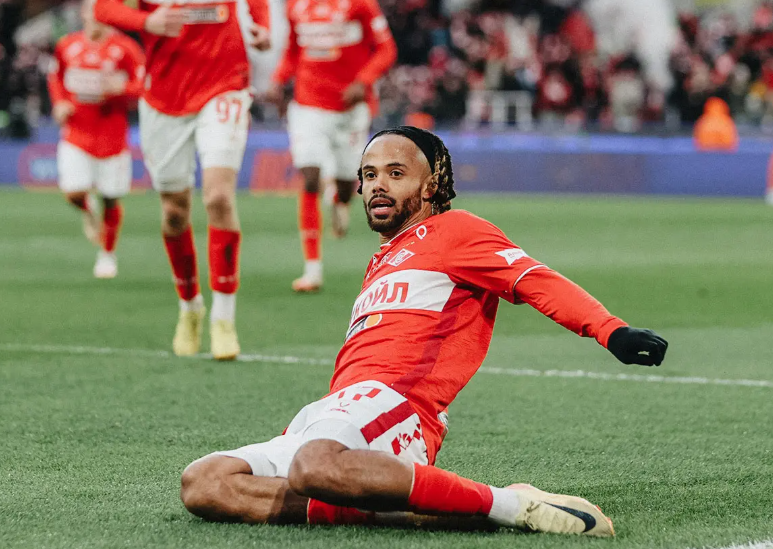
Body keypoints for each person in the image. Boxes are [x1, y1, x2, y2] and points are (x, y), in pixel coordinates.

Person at [179, 127, 668, 534]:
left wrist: (611, 331)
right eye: (370, 174)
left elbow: (535, 280)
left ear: (431, 185)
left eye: (396, 174)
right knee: (204, 483)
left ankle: (509, 505)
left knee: (314, 467)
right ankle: (408, 510)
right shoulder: (384, 258)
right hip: (334, 410)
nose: (378, 185)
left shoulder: (457, 231)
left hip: (399, 406)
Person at [94, 0, 271, 359]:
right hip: (164, 96)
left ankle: (223, 318)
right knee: (175, 212)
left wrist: (262, 25)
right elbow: (103, 8)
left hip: (224, 84)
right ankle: (190, 307)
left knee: (218, 197)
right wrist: (146, 20)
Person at [267, 0, 397, 293]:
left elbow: (387, 49)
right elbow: (293, 51)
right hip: (307, 106)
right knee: (310, 178)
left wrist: (363, 81)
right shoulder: (296, 6)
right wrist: (278, 79)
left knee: (346, 185)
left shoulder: (361, 5)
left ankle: (339, 200)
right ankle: (312, 269)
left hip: (350, 109)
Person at [48, 0, 145, 279]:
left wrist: (122, 88)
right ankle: (87, 208)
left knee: (111, 199)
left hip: (112, 138)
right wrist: (59, 103)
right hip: (76, 134)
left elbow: (144, 84)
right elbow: (56, 77)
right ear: (83, 13)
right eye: (92, 10)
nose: (97, 16)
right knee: (73, 193)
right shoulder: (67, 45)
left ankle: (107, 254)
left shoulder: (126, 48)